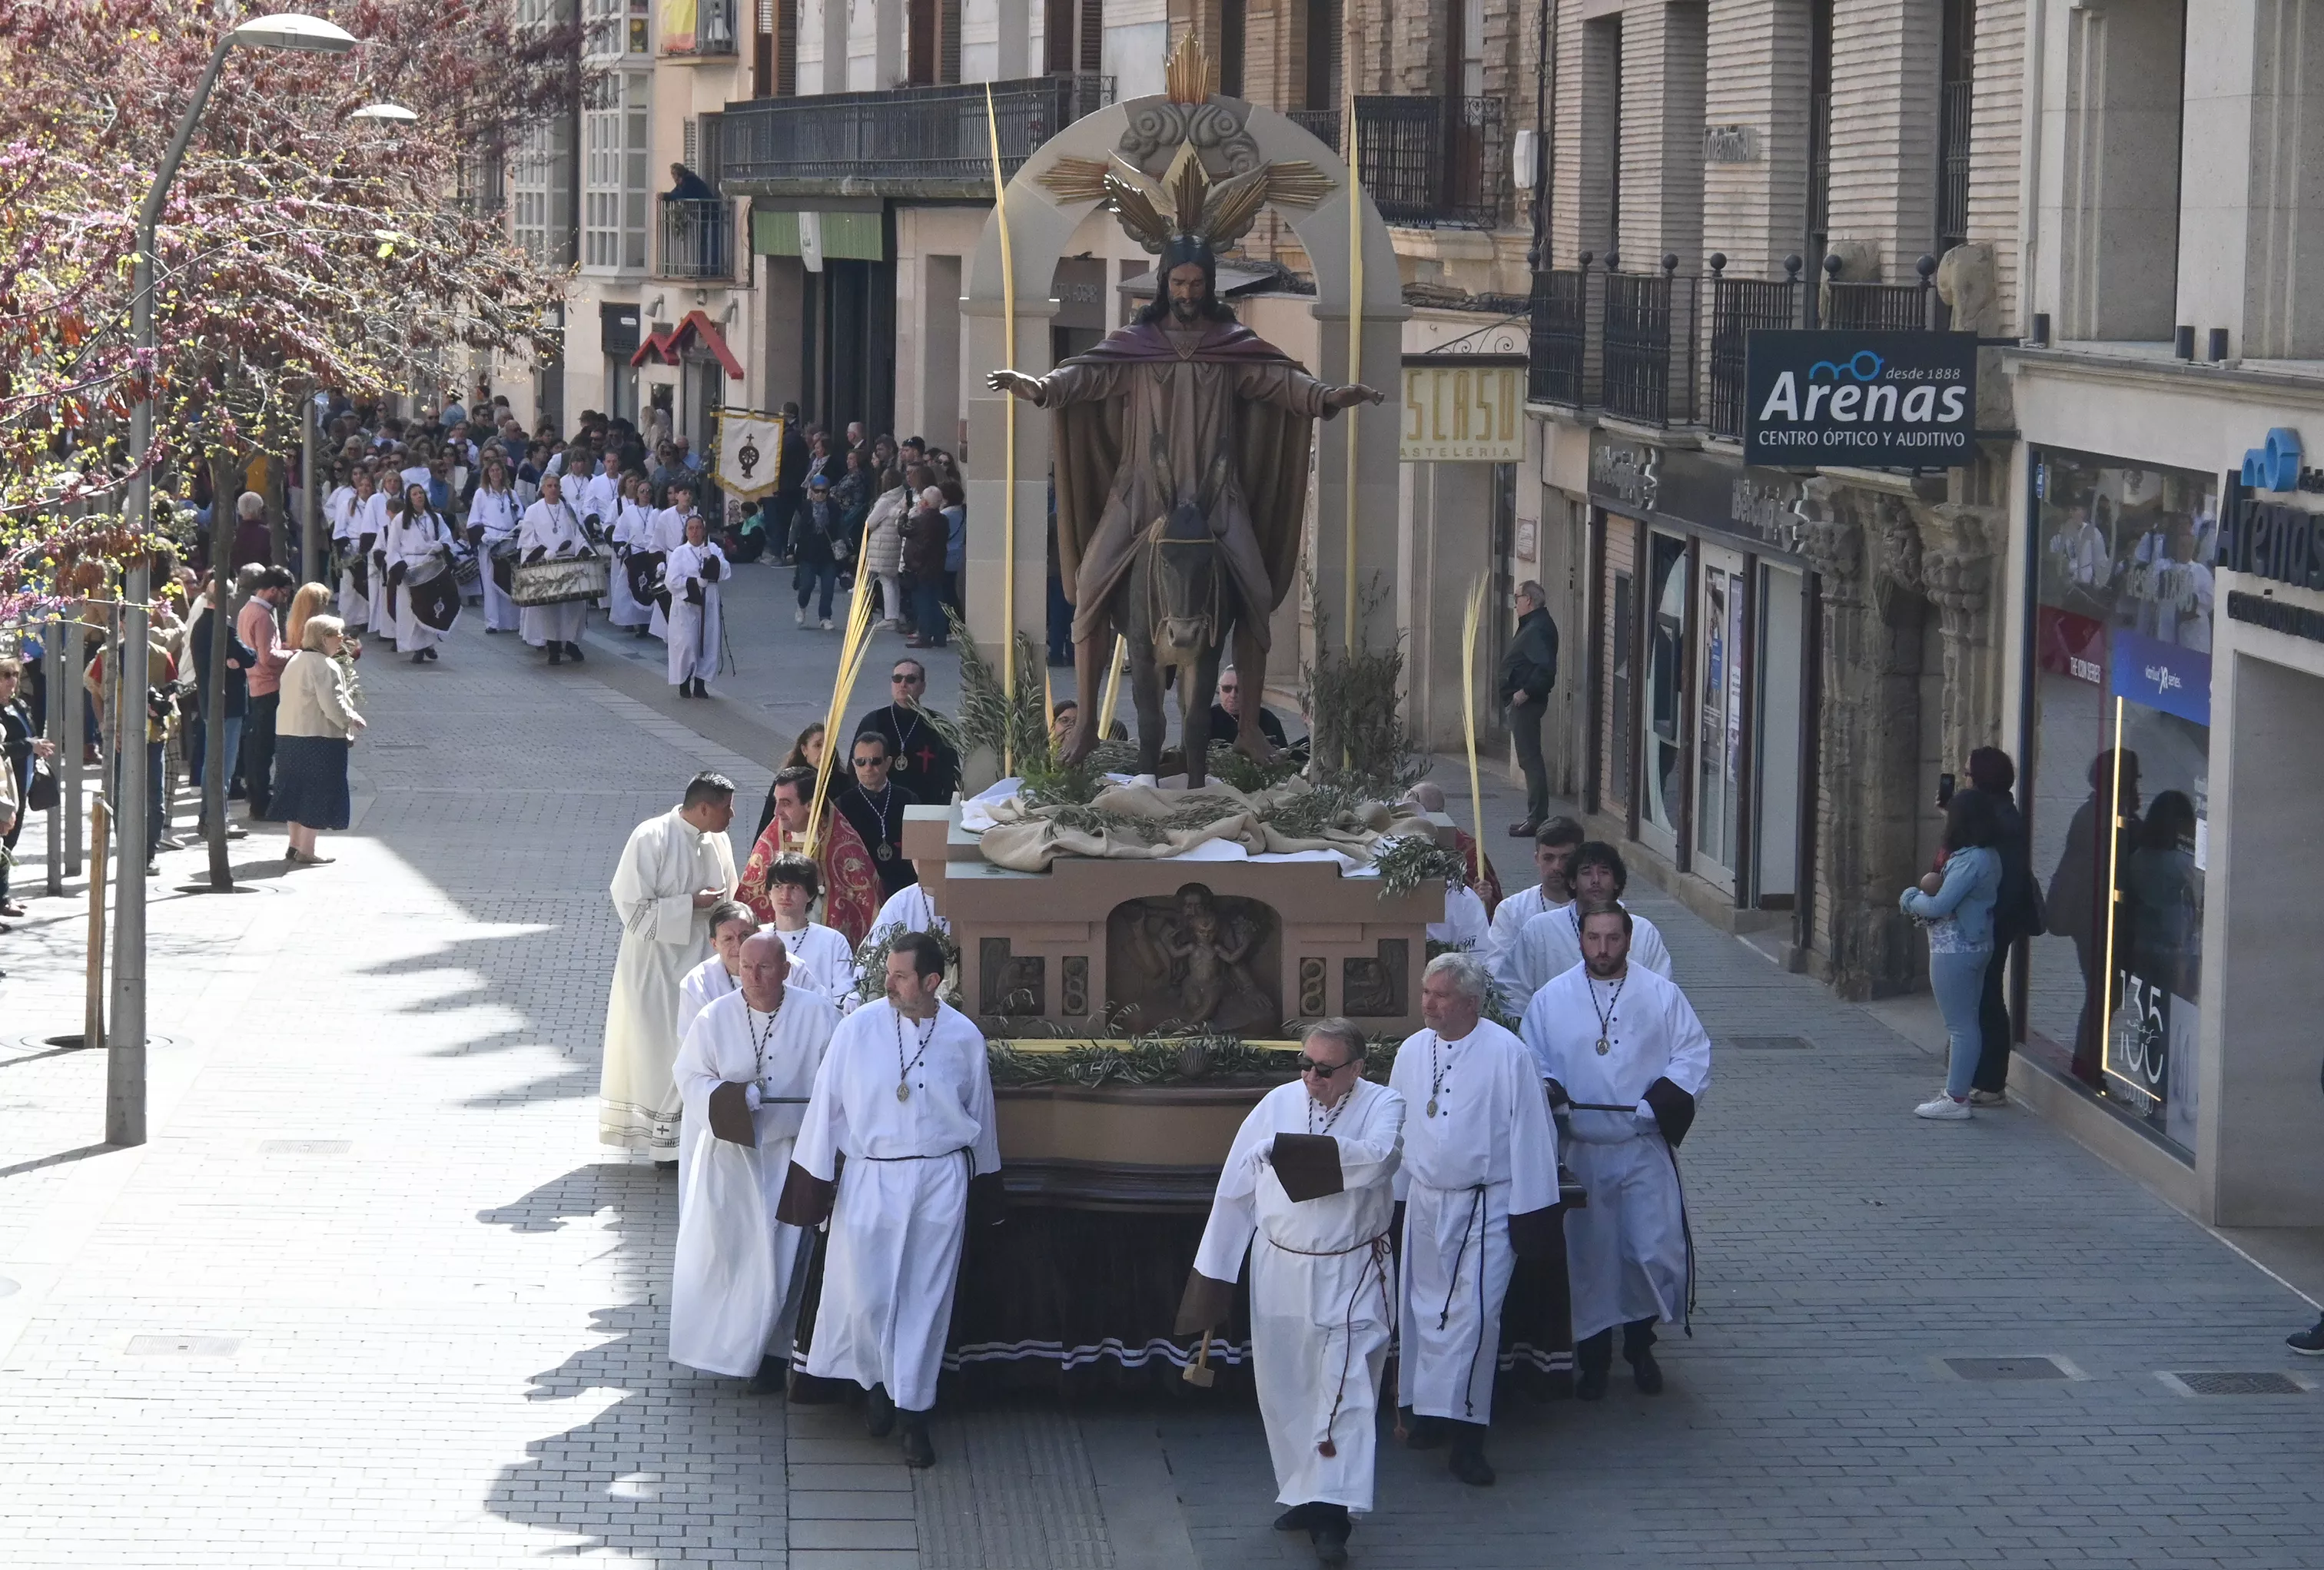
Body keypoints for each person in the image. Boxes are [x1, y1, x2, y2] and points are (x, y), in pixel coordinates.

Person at [988, 215, 1382, 772]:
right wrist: (1040, 387)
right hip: (1140, 496)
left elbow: (1280, 381)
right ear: (1164, 284)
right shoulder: (1136, 345)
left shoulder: (1231, 346)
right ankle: (1086, 735)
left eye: (1197, 286)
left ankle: (1246, 729)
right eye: (1179, 284)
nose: (1188, 295)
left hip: (1217, 497)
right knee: (1090, 589)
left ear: (1210, 287)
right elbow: (1086, 376)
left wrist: (1326, 396)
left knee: (1256, 593)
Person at [1177, 1019, 1406, 1566]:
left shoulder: (1385, 1103)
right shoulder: (1277, 1101)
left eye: (1326, 1069)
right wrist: (1212, 1278)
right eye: (1305, 1064)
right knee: (1286, 1386)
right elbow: (1235, 1190)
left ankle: (1334, 1518)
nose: (1312, 1077)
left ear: (1356, 1068)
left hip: (1349, 1271)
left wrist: (1288, 1152)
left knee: (1343, 1392)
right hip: (1280, 1266)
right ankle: (1305, 1491)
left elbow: (1376, 1159)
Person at [775, 932, 1003, 1468]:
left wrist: (988, 1189)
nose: (889, 983)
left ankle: (914, 1416)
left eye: (901, 975)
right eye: (889, 972)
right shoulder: (857, 1029)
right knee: (866, 1296)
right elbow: (825, 1109)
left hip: (938, 1181)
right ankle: (874, 1384)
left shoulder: (964, 1037)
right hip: (871, 1179)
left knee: (924, 1301)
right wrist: (813, 1191)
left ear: (931, 982)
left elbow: (983, 1118)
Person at [1522, 905, 1711, 1400]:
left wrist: (1655, 1106)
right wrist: (1552, 1091)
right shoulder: (1550, 998)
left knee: (1649, 1251)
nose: (1602, 950)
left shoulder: (1661, 995)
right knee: (1589, 1260)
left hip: (1640, 1146)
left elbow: (1692, 1055)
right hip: (1581, 1150)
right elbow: (1532, 1057)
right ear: (1579, 939)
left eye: (1612, 939)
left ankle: (1641, 1346)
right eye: (1592, 939)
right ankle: (1596, 1361)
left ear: (1629, 940)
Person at [1389, 954, 1559, 1487]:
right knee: (1426, 1313)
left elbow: (1534, 1134)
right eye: (1425, 992)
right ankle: (1431, 1416)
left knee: (1474, 1320)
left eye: (1439, 995)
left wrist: (1531, 1217)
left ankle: (1469, 1439)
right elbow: (1397, 1128)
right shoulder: (1413, 1050)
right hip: (1424, 1203)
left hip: (1485, 1207)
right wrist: (1393, 1203)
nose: (1428, 1003)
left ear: (1469, 1002)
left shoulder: (1508, 1054)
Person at [671, 931, 845, 1386]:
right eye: (746, 968)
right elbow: (689, 1076)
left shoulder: (819, 1014)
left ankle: (771, 1353)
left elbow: (840, 1078)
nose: (754, 976)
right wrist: (732, 1098)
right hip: (733, 1159)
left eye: (765, 967)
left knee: (786, 1257)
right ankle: (728, 1347)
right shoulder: (715, 1018)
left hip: (792, 1155)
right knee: (733, 1255)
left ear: (786, 970)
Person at [602, 773, 742, 1163]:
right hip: (656, 965)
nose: (732, 815)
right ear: (703, 808)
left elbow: (731, 892)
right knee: (661, 1050)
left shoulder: (719, 839)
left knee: (698, 1048)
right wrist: (690, 904)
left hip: (703, 961)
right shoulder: (651, 838)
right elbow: (631, 908)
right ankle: (665, 1146)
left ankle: (694, 1137)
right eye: (726, 808)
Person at [1902, 789, 2004, 1120]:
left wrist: (1910, 897)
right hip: (1975, 946)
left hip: (1955, 950)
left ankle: (1956, 1098)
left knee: (1960, 1026)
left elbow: (1939, 905)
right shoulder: (1988, 855)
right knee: (1968, 1023)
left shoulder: (1969, 861)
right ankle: (1958, 1092)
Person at [1506, 841, 1674, 1001]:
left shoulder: (1643, 931)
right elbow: (1513, 992)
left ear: (1616, 883)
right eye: (1586, 872)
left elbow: (1663, 993)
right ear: (1572, 882)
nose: (1596, 880)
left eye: (1604, 872)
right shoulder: (1540, 929)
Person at [1965, 748, 2040, 1107]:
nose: (1964, 781)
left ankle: (1992, 1081)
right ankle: (1982, 1076)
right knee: (1983, 996)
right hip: (1992, 920)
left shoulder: (2002, 822)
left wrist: (1989, 923)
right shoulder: (1995, 816)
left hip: (1994, 921)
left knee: (1988, 998)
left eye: (1968, 775)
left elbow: (2002, 881)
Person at [738, 763, 883, 947]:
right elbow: (751, 898)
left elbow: (862, 904)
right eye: (776, 802)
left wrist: (823, 883)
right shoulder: (771, 841)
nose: (776, 813)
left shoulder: (843, 843)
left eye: (786, 803)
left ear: (810, 805)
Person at [271, 615, 365, 866]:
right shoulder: (325, 665)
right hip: (318, 738)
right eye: (338, 635)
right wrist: (350, 720)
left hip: (288, 735)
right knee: (316, 793)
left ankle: (294, 844)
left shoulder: (295, 660)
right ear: (324, 638)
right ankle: (307, 850)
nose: (341, 640)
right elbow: (332, 705)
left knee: (294, 791)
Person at [185, 583, 254, 841]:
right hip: (228, 704)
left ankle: (210, 818)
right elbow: (249, 657)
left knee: (213, 763)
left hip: (210, 701)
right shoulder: (221, 627)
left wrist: (234, 660)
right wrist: (236, 660)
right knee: (222, 765)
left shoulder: (202, 624)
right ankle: (215, 819)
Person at [1486, 818, 1582, 1000]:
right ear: (1537, 858)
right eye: (1549, 858)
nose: (1557, 867)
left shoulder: (1603, 912)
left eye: (1566, 858)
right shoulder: (1511, 911)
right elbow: (1496, 971)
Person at [1498, 582, 1559, 837]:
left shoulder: (1537, 628)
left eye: (1518, 598)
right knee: (1528, 759)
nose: (1515, 603)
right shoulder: (1534, 624)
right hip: (1521, 702)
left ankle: (1537, 819)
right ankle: (1534, 816)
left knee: (1530, 760)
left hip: (1526, 704)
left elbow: (1545, 669)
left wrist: (1525, 692)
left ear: (1530, 601)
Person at [854, 659, 959, 806]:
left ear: (923, 687)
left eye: (910, 679)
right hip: (881, 805)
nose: (903, 684)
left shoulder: (938, 724)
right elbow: (855, 769)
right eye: (897, 679)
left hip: (925, 807)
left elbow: (951, 776)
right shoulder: (874, 720)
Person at [236, 567, 295, 821]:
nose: (285, 599)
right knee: (263, 748)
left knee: (256, 747)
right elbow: (268, 657)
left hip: (254, 684)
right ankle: (260, 804)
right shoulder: (262, 615)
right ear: (272, 590)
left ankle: (256, 797)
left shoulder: (247, 610)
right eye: (284, 593)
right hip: (267, 686)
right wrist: (295, 654)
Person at [0, 655, 57, 918]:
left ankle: (3, 895)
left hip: (20, 783)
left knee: (9, 844)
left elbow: (28, 735)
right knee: (2, 844)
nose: (12, 682)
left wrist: (37, 747)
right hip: (3, 787)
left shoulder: (19, 705)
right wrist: (29, 746)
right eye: (6, 676)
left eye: (15, 675)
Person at [760, 853, 858, 1000]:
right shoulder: (757, 938)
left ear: (810, 894)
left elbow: (844, 994)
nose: (785, 895)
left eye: (794, 887)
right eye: (778, 886)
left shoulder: (833, 941)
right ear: (769, 893)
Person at [517, 472, 590, 666]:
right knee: (550, 607)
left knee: (573, 606)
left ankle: (571, 642)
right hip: (546, 564)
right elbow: (527, 539)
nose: (553, 489)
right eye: (549, 486)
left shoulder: (570, 508)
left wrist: (582, 550)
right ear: (542, 489)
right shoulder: (533, 510)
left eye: (556, 486)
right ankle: (553, 646)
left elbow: (580, 532)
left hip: (569, 564)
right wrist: (543, 551)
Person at [835, 732, 915, 901]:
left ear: (888, 763)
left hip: (904, 888)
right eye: (861, 762)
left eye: (875, 761)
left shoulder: (908, 799)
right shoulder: (842, 805)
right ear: (854, 765)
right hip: (860, 892)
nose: (868, 768)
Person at [1401, 782, 1502, 914]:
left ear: (1438, 814)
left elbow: (1493, 913)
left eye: (1414, 816)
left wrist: (1481, 900)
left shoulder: (1469, 852)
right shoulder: (1395, 843)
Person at [387, 482, 455, 663]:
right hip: (410, 567)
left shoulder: (435, 518)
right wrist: (399, 568)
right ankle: (418, 647)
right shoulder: (400, 520)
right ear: (409, 499)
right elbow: (392, 548)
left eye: (421, 493)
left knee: (429, 607)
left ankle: (429, 644)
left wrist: (440, 546)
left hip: (430, 566)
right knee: (412, 608)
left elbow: (447, 537)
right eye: (415, 494)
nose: (419, 496)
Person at [679, 899, 761, 1044]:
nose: (739, 945)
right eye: (728, 939)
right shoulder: (697, 983)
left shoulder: (790, 968)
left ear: (758, 933)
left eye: (745, 935)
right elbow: (692, 1044)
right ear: (714, 944)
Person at [666, 513, 727, 699]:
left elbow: (726, 571)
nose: (695, 532)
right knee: (687, 643)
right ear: (686, 532)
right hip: (686, 605)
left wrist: (713, 561)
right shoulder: (679, 553)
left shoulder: (713, 549)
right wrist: (693, 583)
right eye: (691, 528)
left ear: (704, 530)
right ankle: (684, 682)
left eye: (698, 528)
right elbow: (671, 581)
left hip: (708, 602)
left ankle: (700, 683)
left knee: (707, 642)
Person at [470, 456, 523, 635]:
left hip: (508, 541)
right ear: (487, 473)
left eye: (498, 470)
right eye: (492, 470)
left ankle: (513, 622)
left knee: (510, 580)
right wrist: (482, 536)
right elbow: (473, 520)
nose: (495, 473)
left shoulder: (511, 494)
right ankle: (493, 622)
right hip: (490, 541)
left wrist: (521, 525)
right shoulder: (482, 493)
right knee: (490, 581)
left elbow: (520, 514)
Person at [755, 723, 827, 841]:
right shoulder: (787, 781)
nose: (824, 751)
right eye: (818, 745)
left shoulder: (842, 783)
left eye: (829, 745)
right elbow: (768, 820)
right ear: (804, 750)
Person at [609, 473, 657, 635]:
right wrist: (623, 549)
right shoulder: (629, 512)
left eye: (648, 491)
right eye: (642, 491)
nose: (645, 494)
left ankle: (648, 625)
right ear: (637, 493)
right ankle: (632, 621)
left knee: (651, 589)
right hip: (635, 555)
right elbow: (619, 534)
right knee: (631, 589)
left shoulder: (657, 512)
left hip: (652, 555)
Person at [902, 487, 951, 648]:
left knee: (922, 602)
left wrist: (905, 512)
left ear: (925, 502)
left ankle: (924, 636)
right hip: (937, 565)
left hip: (920, 566)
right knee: (937, 601)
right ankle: (939, 636)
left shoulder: (919, 520)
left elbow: (902, 530)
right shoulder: (943, 520)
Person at [792, 473, 842, 629]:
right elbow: (794, 528)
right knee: (807, 584)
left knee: (828, 586)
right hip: (808, 552)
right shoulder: (804, 507)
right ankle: (801, 606)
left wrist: (848, 546)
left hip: (828, 553)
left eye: (823, 491)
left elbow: (841, 527)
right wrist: (790, 548)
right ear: (811, 491)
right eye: (817, 490)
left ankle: (825, 617)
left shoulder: (834, 507)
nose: (820, 494)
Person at [1207, 667, 1290, 755]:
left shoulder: (1268, 719)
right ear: (1219, 690)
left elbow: (1284, 756)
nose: (1233, 695)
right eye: (1227, 688)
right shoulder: (1208, 719)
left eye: (1239, 689)